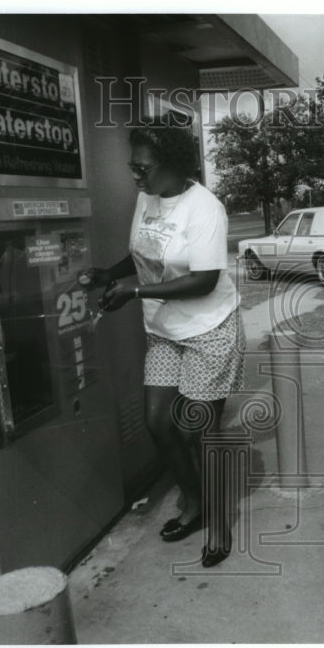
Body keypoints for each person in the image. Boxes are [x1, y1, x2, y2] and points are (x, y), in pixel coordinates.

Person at [80, 118, 242, 568]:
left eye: (143, 168)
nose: (136, 175)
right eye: (133, 166)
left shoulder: (204, 208)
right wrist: (109, 275)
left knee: (199, 430)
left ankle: (221, 526)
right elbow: (145, 254)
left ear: (172, 165)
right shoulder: (147, 198)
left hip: (209, 327)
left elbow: (206, 280)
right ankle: (195, 504)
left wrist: (133, 293)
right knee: (158, 423)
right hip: (166, 330)